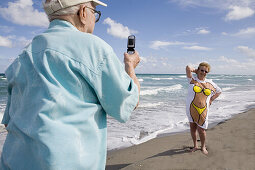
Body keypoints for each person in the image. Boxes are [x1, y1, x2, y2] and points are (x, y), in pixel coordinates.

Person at [0, 0, 140, 169]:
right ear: (83, 12)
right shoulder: (93, 48)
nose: (94, 19)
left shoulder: (22, 56)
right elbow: (127, 103)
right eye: (94, 13)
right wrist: (130, 67)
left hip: (12, 162)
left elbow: (8, 121)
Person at [186, 62, 221, 154]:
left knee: (201, 130)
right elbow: (188, 67)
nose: (204, 72)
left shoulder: (210, 83)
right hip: (191, 108)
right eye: (202, 70)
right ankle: (195, 146)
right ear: (198, 70)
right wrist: (195, 71)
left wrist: (211, 100)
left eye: (206, 71)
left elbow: (219, 91)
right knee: (192, 128)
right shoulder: (192, 79)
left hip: (203, 110)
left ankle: (203, 147)